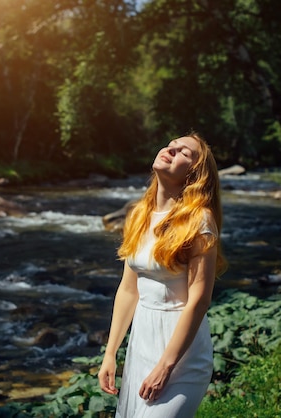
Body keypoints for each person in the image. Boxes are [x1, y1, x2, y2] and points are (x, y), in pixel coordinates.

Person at [98, 132, 227, 418]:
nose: (171, 150)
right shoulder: (138, 215)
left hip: (183, 354)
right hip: (142, 345)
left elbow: (199, 301)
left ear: (194, 174)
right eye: (171, 145)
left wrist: (165, 366)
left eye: (183, 152)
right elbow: (129, 290)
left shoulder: (199, 221)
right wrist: (110, 354)